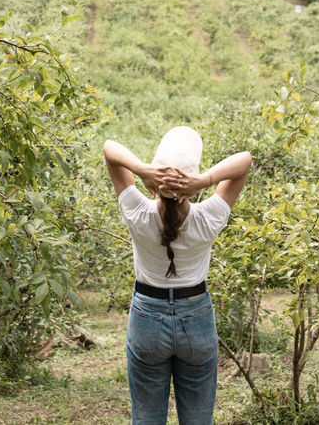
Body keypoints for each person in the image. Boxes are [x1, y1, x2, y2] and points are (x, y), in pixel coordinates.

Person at [103, 126, 252, 425]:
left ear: (152, 185)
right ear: (192, 188)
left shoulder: (138, 213)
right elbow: (245, 160)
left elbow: (109, 148)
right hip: (196, 318)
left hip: (147, 317)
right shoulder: (208, 217)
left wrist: (142, 170)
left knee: (146, 418)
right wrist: (205, 180)